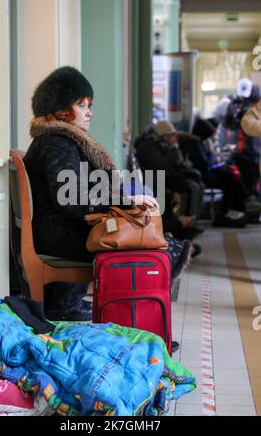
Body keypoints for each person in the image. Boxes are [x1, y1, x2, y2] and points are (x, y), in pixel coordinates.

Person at [23, 66, 191, 324]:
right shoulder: (56, 142)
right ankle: (140, 323)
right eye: (81, 105)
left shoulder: (58, 140)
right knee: (148, 250)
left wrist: (123, 200)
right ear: (60, 110)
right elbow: (72, 197)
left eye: (89, 104)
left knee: (152, 241)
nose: (89, 111)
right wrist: (125, 202)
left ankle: (121, 316)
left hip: (64, 228)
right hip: (60, 235)